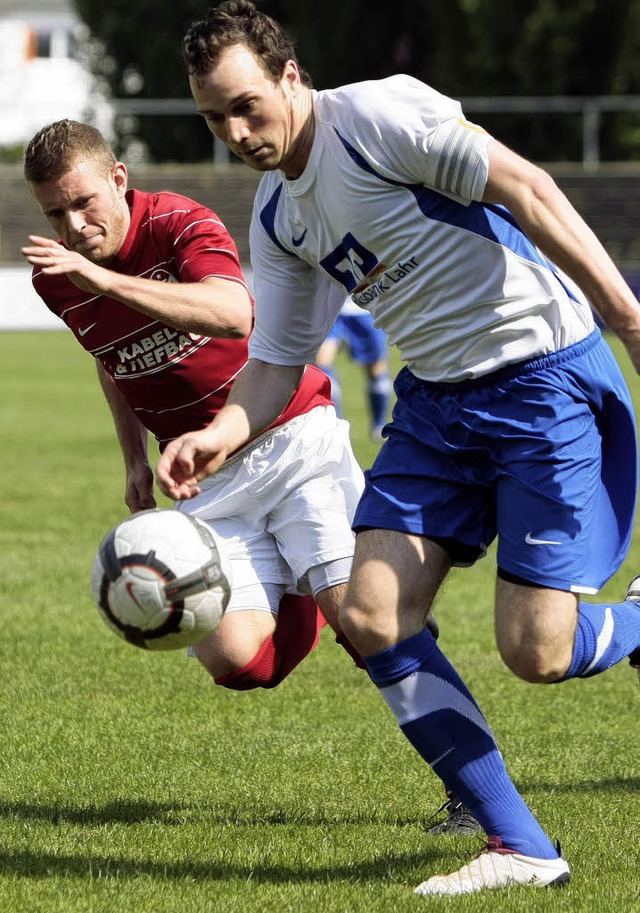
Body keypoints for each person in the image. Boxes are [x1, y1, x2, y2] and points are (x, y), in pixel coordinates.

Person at [156, 1, 640, 896]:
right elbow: (276, 360)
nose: (235, 131)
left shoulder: (377, 117)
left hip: (539, 376)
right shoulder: (276, 216)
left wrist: (627, 315)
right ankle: (519, 844)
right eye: (215, 118)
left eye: (247, 105)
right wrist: (217, 433)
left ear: (290, 76)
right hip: (437, 407)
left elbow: (527, 186)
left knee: (537, 651)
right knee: (371, 612)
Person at [21, 118, 366, 694]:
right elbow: (112, 357)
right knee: (241, 667)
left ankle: (473, 780)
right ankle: (305, 583)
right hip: (203, 477)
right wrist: (132, 457)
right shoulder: (57, 279)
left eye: (83, 203)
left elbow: (233, 314)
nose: (74, 227)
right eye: (55, 214)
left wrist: (104, 283)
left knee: (369, 629)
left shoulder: (177, 219)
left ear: (118, 177)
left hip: (289, 436)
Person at [315, 298, 391, 442]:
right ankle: (334, 424)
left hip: (365, 308)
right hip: (331, 309)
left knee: (377, 371)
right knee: (322, 366)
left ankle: (379, 426)